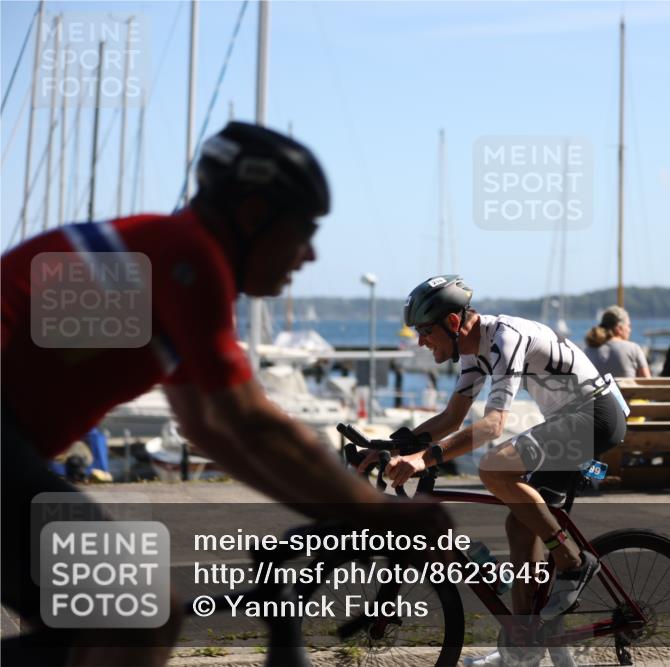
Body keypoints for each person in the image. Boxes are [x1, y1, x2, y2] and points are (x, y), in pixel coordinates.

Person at [1, 122, 448, 666]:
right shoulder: (188, 257)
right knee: (140, 614)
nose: (309, 254)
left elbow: (209, 429)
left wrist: (338, 509)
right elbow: (248, 422)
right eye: (303, 230)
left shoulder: (171, 262)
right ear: (253, 216)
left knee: (114, 623)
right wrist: (380, 513)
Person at [368, 276, 627, 667]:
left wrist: (425, 459)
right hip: (571, 420)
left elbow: (492, 426)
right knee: (519, 525)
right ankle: (523, 646)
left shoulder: (505, 338)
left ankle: (573, 562)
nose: (420, 341)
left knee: (493, 468)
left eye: (424, 330)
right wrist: (390, 447)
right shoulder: (474, 351)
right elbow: (451, 418)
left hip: (595, 415)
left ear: (453, 323)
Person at [583, 306, 651, 378]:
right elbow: (647, 381)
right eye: (628, 326)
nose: (630, 330)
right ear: (619, 328)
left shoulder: (588, 350)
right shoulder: (633, 348)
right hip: (625, 386)